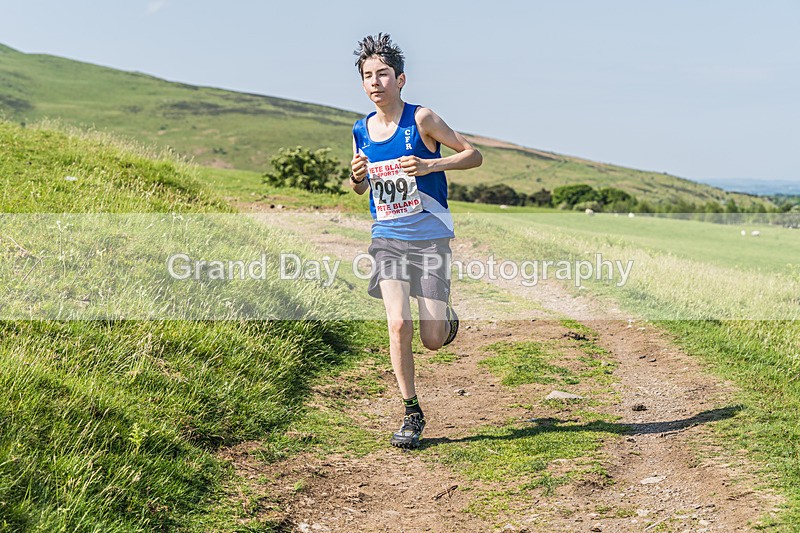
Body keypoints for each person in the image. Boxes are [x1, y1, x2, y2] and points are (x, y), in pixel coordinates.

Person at [348, 33, 483, 449]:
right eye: (368, 75)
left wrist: (429, 165)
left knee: (432, 339)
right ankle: (411, 412)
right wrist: (355, 177)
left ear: (400, 79)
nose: (375, 82)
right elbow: (360, 187)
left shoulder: (422, 119)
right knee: (397, 324)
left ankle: (444, 319)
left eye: (383, 74)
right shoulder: (360, 129)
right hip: (387, 237)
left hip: (429, 239)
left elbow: (473, 155)